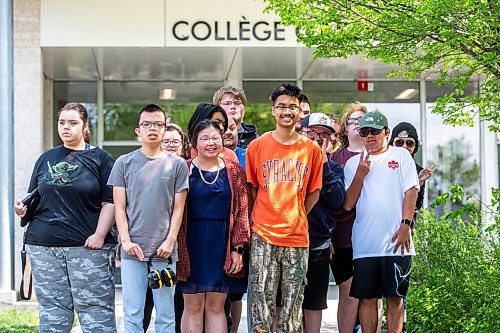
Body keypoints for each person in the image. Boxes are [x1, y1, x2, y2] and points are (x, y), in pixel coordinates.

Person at [14, 102, 117, 332]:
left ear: (84, 126)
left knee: (96, 311)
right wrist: (23, 208)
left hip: (88, 248)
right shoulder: (46, 159)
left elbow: (110, 201)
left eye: (72, 123)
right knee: (53, 312)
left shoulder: (100, 158)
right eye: (62, 122)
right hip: (44, 246)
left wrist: (100, 235)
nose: (66, 128)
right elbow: (35, 197)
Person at [246, 83, 323, 333]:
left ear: (300, 111)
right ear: (273, 111)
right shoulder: (257, 147)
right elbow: (254, 190)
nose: (286, 111)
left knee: (292, 310)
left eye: (292, 106)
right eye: (281, 106)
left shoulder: (311, 150)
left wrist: (296, 214)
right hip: (263, 236)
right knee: (261, 307)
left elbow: (313, 192)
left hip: (297, 238)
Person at [108, 104, 189, 333]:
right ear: (138, 130)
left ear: (165, 129)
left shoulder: (177, 164)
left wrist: (170, 240)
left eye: (158, 124)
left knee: (166, 315)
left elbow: (178, 208)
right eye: (146, 124)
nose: (152, 128)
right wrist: (125, 241)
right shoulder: (123, 163)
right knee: (133, 313)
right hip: (132, 251)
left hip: (164, 252)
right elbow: (119, 208)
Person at [343, 111, 419, 333]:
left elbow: (411, 192)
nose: (369, 136)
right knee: (367, 300)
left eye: (375, 131)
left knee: (395, 299)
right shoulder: (352, 164)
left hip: (397, 244)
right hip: (365, 246)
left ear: (386, 132)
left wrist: (405, 224)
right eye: (364, 132)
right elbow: (348, 204)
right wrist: (360, 174)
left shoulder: (401, 156)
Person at [176, 119, 251, 333]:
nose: (210, 142)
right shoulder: (185, 168)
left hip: (222, 244)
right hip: (191, 242)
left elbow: (242, 212)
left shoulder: (234, 171)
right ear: (195, 142)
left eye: (215, 138)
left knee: (217, 306)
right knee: (192, 306)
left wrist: (238, 249)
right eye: (205, 138)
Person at [139, 123, 190, 333]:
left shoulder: (187, 170)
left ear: (183, 146)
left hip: (178, 252)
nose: (170, 145)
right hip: (147, 249)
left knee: (173, 309)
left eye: (175, 142)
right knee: (143, 307)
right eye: (166, 141)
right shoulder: (146, 169)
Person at [298, 113, 345, 332]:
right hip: (287, 242)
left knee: (314, 303)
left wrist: (323, 163)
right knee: (284, 302)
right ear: (300, 133)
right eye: (312, 133)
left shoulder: (334, 168)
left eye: (324, 135)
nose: (317, 139)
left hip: (318, 244)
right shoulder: (290, 163)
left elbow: (336, 200)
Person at [389, 122, 434, 333]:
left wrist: (420, 182)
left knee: (398, 288)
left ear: (415, 147)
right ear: (392, 143)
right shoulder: (384, 163)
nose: (404, 146)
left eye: (409, 143)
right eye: (400, 142)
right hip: (377, 233)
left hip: (403, 236)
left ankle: (401, 328)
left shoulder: (418, 170)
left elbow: (415, 207)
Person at [329, 102, 367, 333]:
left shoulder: (380, 156)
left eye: (363, 121)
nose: (358, 125)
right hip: (342, 235)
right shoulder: (334, 159)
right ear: (345, 128)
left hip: (371, 234)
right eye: (353, 121)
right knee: (348, 289)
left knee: (372, 293)